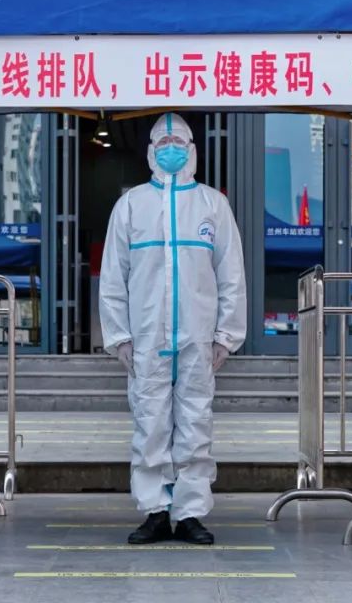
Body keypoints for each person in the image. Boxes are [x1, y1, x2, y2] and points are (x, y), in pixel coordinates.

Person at [99, 113, 247, 546]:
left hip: (198, 338)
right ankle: (156, 511)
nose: (170, 149)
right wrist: (119, 336)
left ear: (192, 148)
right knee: (150, 425)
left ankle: (191, 512)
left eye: (178, 142)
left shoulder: (212, 205)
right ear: (150, 150)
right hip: (147, 337)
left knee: (196, 424)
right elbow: (113, 277)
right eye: (163, 143)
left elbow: (231, 275)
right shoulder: (131, 206)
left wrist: (226, 336)